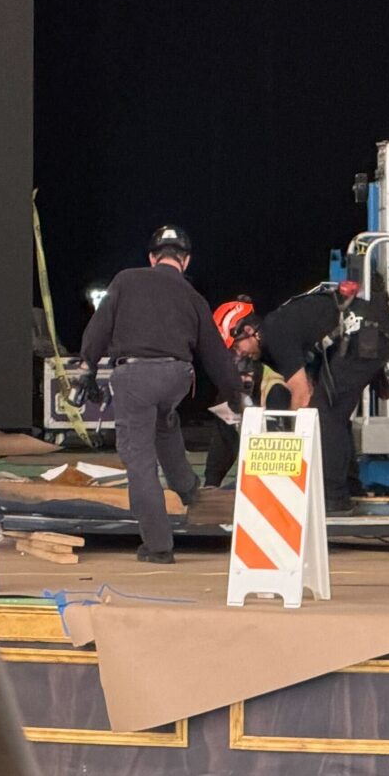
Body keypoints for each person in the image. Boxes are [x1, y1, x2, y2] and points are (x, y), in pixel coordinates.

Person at [78, 224, 245, 564]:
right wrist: (235, 395)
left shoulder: (125, 280)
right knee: (165, 423)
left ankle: (158, 546)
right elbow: (215, 352)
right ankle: (187, 487)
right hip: (176, 377)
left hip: (135, 377)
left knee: (139, 460)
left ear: (153, 258)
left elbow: (99, 326)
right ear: (185, 261)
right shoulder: (193, 296)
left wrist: (87, 366)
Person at [222, 281, 389, 514]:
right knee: (334, 413)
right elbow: (309, 385)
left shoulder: (275, 333)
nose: (239, 355)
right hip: (371, 332)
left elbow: (302, 395)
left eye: (237, 347)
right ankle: (349, 487)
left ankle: (333, 498)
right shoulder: (280, 331)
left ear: (248, 331)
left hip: (366, 334)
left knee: (325, 413)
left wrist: (292, 449)